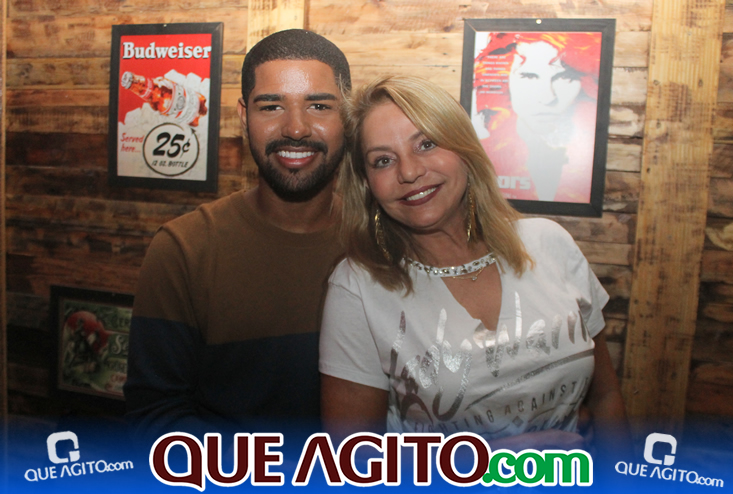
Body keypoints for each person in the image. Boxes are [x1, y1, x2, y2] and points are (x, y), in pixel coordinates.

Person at [319, 75, 631, 458]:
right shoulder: (358, 287)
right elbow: (354, 460)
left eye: (426, 144)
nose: (409, 172)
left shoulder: (550, 244)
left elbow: (606, 396)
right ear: (367, 183)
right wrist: (489, 463)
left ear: (464, 149)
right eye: (383, 160)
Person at [124, 29, 350, 444]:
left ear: (347, 116)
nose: (295, 128)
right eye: (272, 106)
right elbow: (153, 418)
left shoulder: (382, 242)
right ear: (244, 117)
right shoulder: (184, 249)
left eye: (318, 105)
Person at [471, 32, 602, 203]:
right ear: (503, 80)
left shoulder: (591, 160)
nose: (547, 97)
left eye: (565, 77)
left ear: (586, 83)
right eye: (529, 76)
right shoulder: (479, 157)